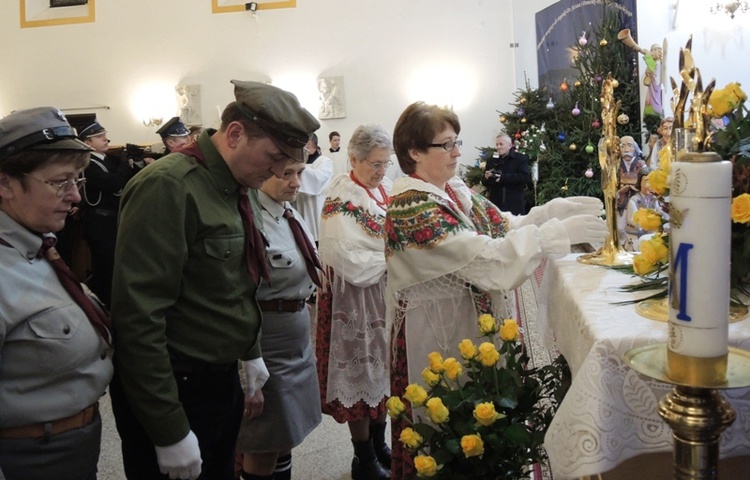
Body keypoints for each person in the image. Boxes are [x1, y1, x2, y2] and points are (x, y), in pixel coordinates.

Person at [109, 80, 320, 480]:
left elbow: (238, 281)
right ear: (236, 134)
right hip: (178, 385)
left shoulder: (233, 185)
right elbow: (138, 317)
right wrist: (169, 429)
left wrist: (250, 350)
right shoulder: (170, 186)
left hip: (219, 378)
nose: (279, 171)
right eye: (274, 156)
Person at [385, 102, 608, 479]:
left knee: (479, 432)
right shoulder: (411, 207)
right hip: (434, 333)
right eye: (446, 145)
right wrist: (555, 234)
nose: (458, 152)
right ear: (414, 152)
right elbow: (487, 261)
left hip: (464, 324)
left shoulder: (451, 190)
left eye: (457, 142)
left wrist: (550, 213)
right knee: (445, 432)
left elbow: (502, 225)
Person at [0, 107, 114, 480]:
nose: (75, 197)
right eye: (60, 182)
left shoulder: (39, 248)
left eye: (76, 182)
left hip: (72, 446)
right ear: (5, 184)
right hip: (30, 458)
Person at [235, 160, 323, 480]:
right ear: (262, 171)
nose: (297, 182)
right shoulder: (248, 218)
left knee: (284, 435)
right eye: (287, 173)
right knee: (263, 440)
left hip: (295, 337)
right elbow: (239, 295)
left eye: (299, 172)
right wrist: (247, 365)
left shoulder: (288, 212)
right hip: (267, 340)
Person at [316, 124, 394, 480]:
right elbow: (348, 259)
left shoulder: (383, 191)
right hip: (355, 299)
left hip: (383, 295)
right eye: (375, 164)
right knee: (363, 372)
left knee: (384, 372)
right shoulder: (341, 196)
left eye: (385, 163)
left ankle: (379, 445)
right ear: (354, 159)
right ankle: (362, 457)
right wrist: (396, 258)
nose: (381, 171)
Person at [78, 121, 139, 308]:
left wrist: (134, 161)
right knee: (106, 267)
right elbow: (112, 183)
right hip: (100, 222)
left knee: (117, 264)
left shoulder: (108, 160)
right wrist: (123, 163)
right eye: (99, 137)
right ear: (88, 143)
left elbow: (128, 178)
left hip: (114, 219)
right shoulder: (88, 164)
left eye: (105, 135)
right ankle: (105, 305)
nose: (106, 139)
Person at [294, 132, 333, 244]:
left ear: (309, 144)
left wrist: (295, 166)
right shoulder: (300, 161)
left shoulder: (324, 162)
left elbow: (316, 182)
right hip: (298, 208)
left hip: (315, 210)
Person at [481, 132, 532, 215]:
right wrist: (486, 177)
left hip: (514, 204)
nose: (498, 147)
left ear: (509, 145)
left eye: (501, 144)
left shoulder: (520, 159)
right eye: (497, 144)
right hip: (496, 204)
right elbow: (485, 183)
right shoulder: (492, 160)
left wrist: (503, 178)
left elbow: (525, 177)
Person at [624, 170, 669, 250]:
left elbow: (661, 215)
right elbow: (636, 222)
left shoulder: (654, 200)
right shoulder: (634, 201)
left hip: (649, 235)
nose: (650, 186)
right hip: (635, 237)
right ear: (640, 183)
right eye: (647, 182)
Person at [615, 135, 647, 244]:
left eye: (630, 146)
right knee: (620, 227)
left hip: (637, 199)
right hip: (622, 201)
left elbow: (646, 179)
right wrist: (619, 190)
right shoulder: (616, 165)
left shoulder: (640, 164)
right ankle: (622, 246)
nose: (626, 150)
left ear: (635, 148)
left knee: (637, 225)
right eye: (623, 146)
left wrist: (637, 187)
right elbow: (613, 182)